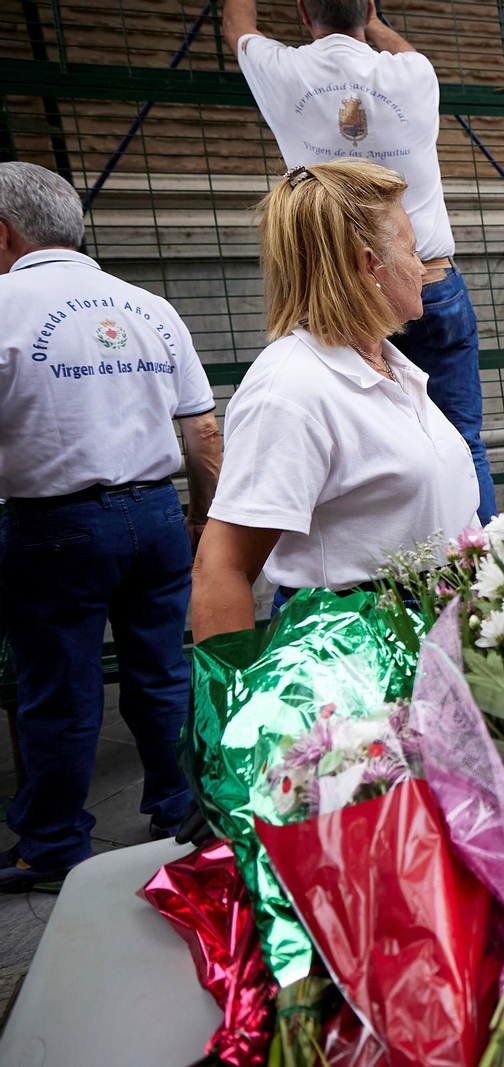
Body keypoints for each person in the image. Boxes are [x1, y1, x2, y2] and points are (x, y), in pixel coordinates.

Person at [0, 161, 223, 890]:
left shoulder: (5, 305)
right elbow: (203, 432)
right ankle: (177, 809)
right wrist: (200, 516)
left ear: (3, 232)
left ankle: (56, 844)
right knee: (163, 670)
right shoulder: (148, 306)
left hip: (52, 525)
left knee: (59, 688)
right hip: (156, 513)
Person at [221, 0, 496, 523]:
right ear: (368, 7)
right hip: (430, 278)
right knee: (462, 439)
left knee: (350, 447)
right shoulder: (413, 73)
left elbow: (239, 27)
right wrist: (371, 20)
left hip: (338, 285)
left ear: (303, 13)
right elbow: (407, 50)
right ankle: (483, 578)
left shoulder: (283, 69)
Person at [190, 159, 478, 642]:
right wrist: (229, 706)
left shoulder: (388, 363)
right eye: (411, 250)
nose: (424, 267)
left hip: (436, 636)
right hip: (358, 656)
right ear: (370, 265)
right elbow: (220, 570)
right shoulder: (290, 389)